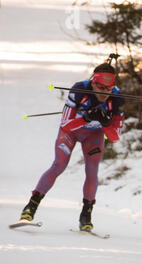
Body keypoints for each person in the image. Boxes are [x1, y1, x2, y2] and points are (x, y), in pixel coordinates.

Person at [19, 59, 125, 231]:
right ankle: (31, 206)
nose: (105, 93)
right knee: (59, 165)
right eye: (100, 87)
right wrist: (86, 118)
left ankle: (86, 215)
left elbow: (114, 137)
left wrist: (105, 124)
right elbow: (65, 124)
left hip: (94, 135)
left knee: (92, 171)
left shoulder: (117, 99)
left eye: (109, 89)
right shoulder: (79, 90)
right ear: (93, 82)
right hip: (71, 132)